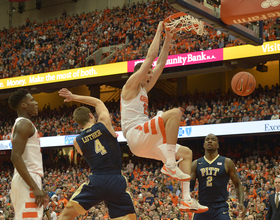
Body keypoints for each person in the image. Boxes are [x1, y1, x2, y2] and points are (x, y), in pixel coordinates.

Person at [120, 21, 208, 213]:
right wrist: (159, 31)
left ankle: (186, 199)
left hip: (144, 143)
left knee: (186, 154)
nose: (151, 74)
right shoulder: (131, 85)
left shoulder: (144, 87)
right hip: (136, 134)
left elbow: (160, 63)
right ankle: (169, 163)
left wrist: (169, 38)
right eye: (148, 72)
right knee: (175, 113)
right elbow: (151, 58)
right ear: (139, 73)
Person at [58, 88, 136, 220]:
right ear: (90, 115)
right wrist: (74, 96)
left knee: (65, 216)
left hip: (97, 181)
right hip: (116, 180)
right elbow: (98, 103)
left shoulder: (77, 141)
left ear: (78, 123)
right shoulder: (104, 123)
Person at [8, 88, 47, 219]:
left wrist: (37, 186)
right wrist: (34, 187)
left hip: (28, 177)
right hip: (27, 177)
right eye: (32, 100)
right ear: (23, 105)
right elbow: (15, 157)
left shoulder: (24, 123)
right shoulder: (24, 124)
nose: (36, 103)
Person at [191, 133, 245, 220]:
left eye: (213, 139)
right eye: (207, 139)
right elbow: (190, 186)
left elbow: (238, 185)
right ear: (204, 145)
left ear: (218, 145)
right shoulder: (196, 163)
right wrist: (189, 195)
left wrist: (241, 202)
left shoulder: (226, 162)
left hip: (220, 207)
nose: (210, 141)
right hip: (201, 205)